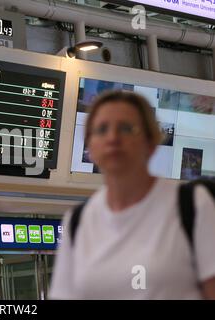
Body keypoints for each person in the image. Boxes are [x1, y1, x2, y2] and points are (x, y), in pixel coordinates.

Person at [49, 91, 215, 300]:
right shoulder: (77, 221)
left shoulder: (193, 205)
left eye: (126, 128)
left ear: (151, 142)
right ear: (90, 147)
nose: (113, 138)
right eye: (101, 129)